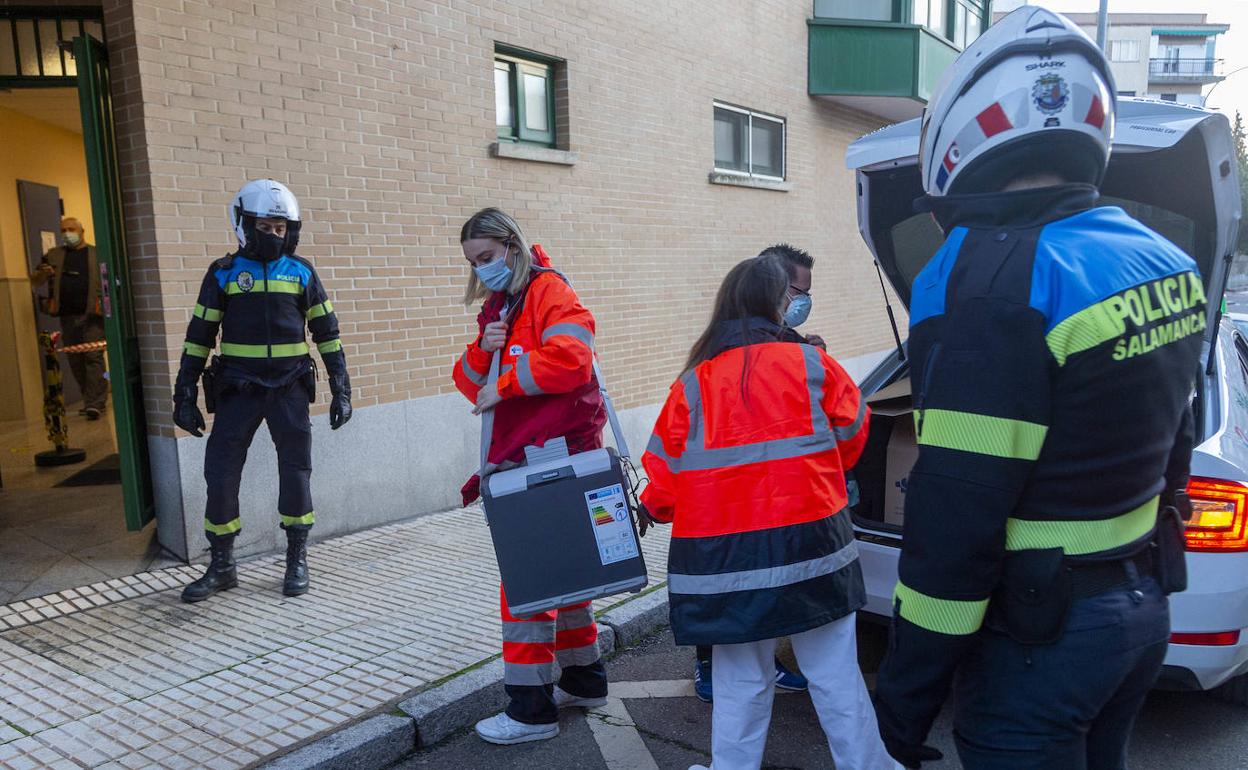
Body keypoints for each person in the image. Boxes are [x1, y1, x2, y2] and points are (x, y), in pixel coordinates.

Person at [872, 7, 1205, 769]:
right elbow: (1175, 431)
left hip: (1040, 640)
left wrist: (900, 710)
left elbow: (957, 516)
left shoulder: (986, 277)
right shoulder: (1160, 259)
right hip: (1138, 614)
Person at [641, 254, 894, 770]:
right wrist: (816, 474)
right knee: (836, 673)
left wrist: (654, 509)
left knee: (740, 681)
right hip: (814, 548)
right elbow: (853, 436)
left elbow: (664, 486)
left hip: (726, 562)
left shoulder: (693, 385)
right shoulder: (812, 365)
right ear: (779, 305)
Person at [453, 207, 610, 746]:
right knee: (565, 580)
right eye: (475, 262)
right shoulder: (505, 305)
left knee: (526, 587)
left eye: (489, 257)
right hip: (541, 456)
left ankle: (530, 711)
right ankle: (585, 680)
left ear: (513, 247)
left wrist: (507, 382)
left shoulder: (547, 293)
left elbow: (573, 359)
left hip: (552, 458)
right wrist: (484, 349)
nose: (483, 269)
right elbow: (467, 380)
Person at [173, 179, 352, 603]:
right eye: (266, 226)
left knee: (296, 471)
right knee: (220, 474)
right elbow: (199, 336)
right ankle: (222, 566)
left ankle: (297, 558)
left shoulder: (302, 272)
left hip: (289, 388)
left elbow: (328, 334)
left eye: (281, 228)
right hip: (238, 389)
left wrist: (341, 388)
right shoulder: (224, 273)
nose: (275, 235)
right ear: (243, 224)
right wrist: (184, 394)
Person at [689, 242, 818, 703]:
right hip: (728, 504)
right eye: (796, 293)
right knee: (726, 591)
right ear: (775, 290)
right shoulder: (717, 360)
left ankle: (761, 665)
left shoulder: (795, 349)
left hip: (772, 500)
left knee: (758, 591)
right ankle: (709, 665)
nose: (800, 302)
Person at [31, 217, 108, 420]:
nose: (67, 233)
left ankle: (95, 402)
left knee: (93, 357)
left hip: (92, 315)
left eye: (71, 229)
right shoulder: (54, 255)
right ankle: (90, 398)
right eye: (63, 230)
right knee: (75, 359)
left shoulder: (96, 253)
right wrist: (42, 273)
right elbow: (35, 281)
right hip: (67, 316)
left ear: (82, 231)